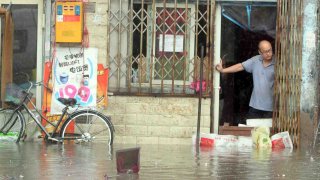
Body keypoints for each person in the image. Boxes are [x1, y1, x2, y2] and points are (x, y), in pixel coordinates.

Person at [215, 40, 275, 119]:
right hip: (255, 106)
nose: (268, 53)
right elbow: (240, 66)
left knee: (269, 131)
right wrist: (223, 70)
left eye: (270, 50)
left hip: (272, 108)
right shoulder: (255, 60)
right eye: (265, 51)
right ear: (260, 52)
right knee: (253, 130)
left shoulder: (278, 62)